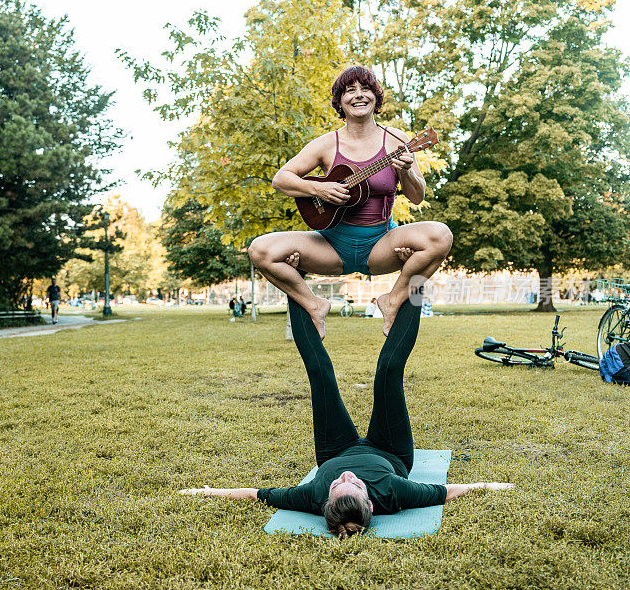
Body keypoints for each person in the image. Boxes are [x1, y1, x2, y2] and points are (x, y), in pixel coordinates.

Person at [180, 295, 512, 538]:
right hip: (390, 451)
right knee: (389, 371)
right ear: (371, 501)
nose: (346, 477)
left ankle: (299, 288)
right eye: (351, 484)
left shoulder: (312, 496)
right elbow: (450, 492)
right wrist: (496, 486)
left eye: (338, 484)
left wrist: (206, 493)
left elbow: (256, 494)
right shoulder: (394, 492)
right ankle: (415, 282)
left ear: (326, 498)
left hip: (334, 451)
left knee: (319, 374)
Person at [247, 65, 453, 339]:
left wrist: (404, 171)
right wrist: (318, 190)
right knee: (259, 250)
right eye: (349, 91)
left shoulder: (397, 139)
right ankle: (315, 305)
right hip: (330, 245)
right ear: (340, 102)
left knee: (441, 235)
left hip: (382, 243)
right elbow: (281, 179)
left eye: (365, 89)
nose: (359, 95)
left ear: (376, 97)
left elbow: (417, 197)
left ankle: (392, 300)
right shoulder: (326, 144)